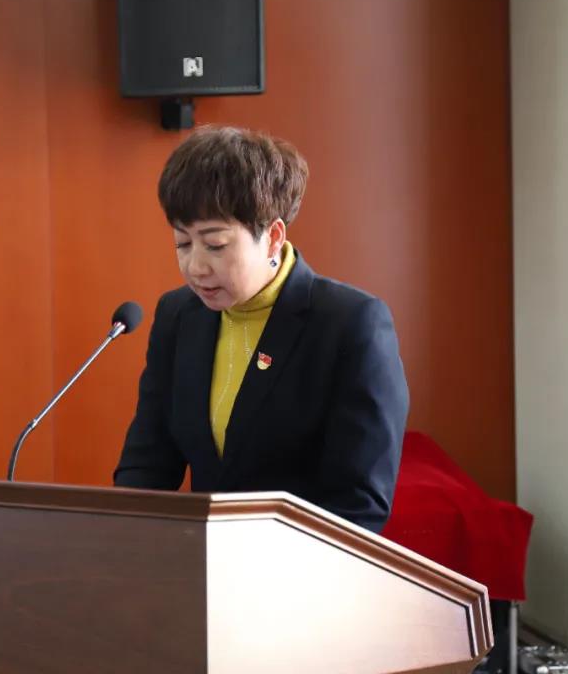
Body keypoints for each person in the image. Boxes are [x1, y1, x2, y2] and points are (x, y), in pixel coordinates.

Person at [113, 126, 409, 533]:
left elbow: (359, 504)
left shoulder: (350, 324)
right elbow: (147, 464)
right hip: (199, 560)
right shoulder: (177, 316)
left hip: (301, 566)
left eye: (215, 245)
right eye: (183, 243)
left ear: (272, 237)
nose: (195, 266)